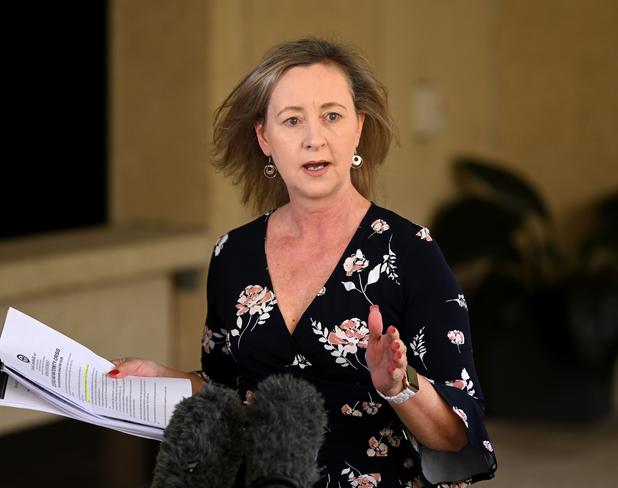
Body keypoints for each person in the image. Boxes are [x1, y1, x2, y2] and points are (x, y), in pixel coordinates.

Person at [110, 37, 497, 487]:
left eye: (331, 116)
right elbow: (228, 394)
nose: (314, 138)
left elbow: (456, 435)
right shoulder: (233, 254)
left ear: (357, 128)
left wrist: (398, 385)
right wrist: (162, 377)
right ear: (265, 138)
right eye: (292, 121)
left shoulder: (410, 251)